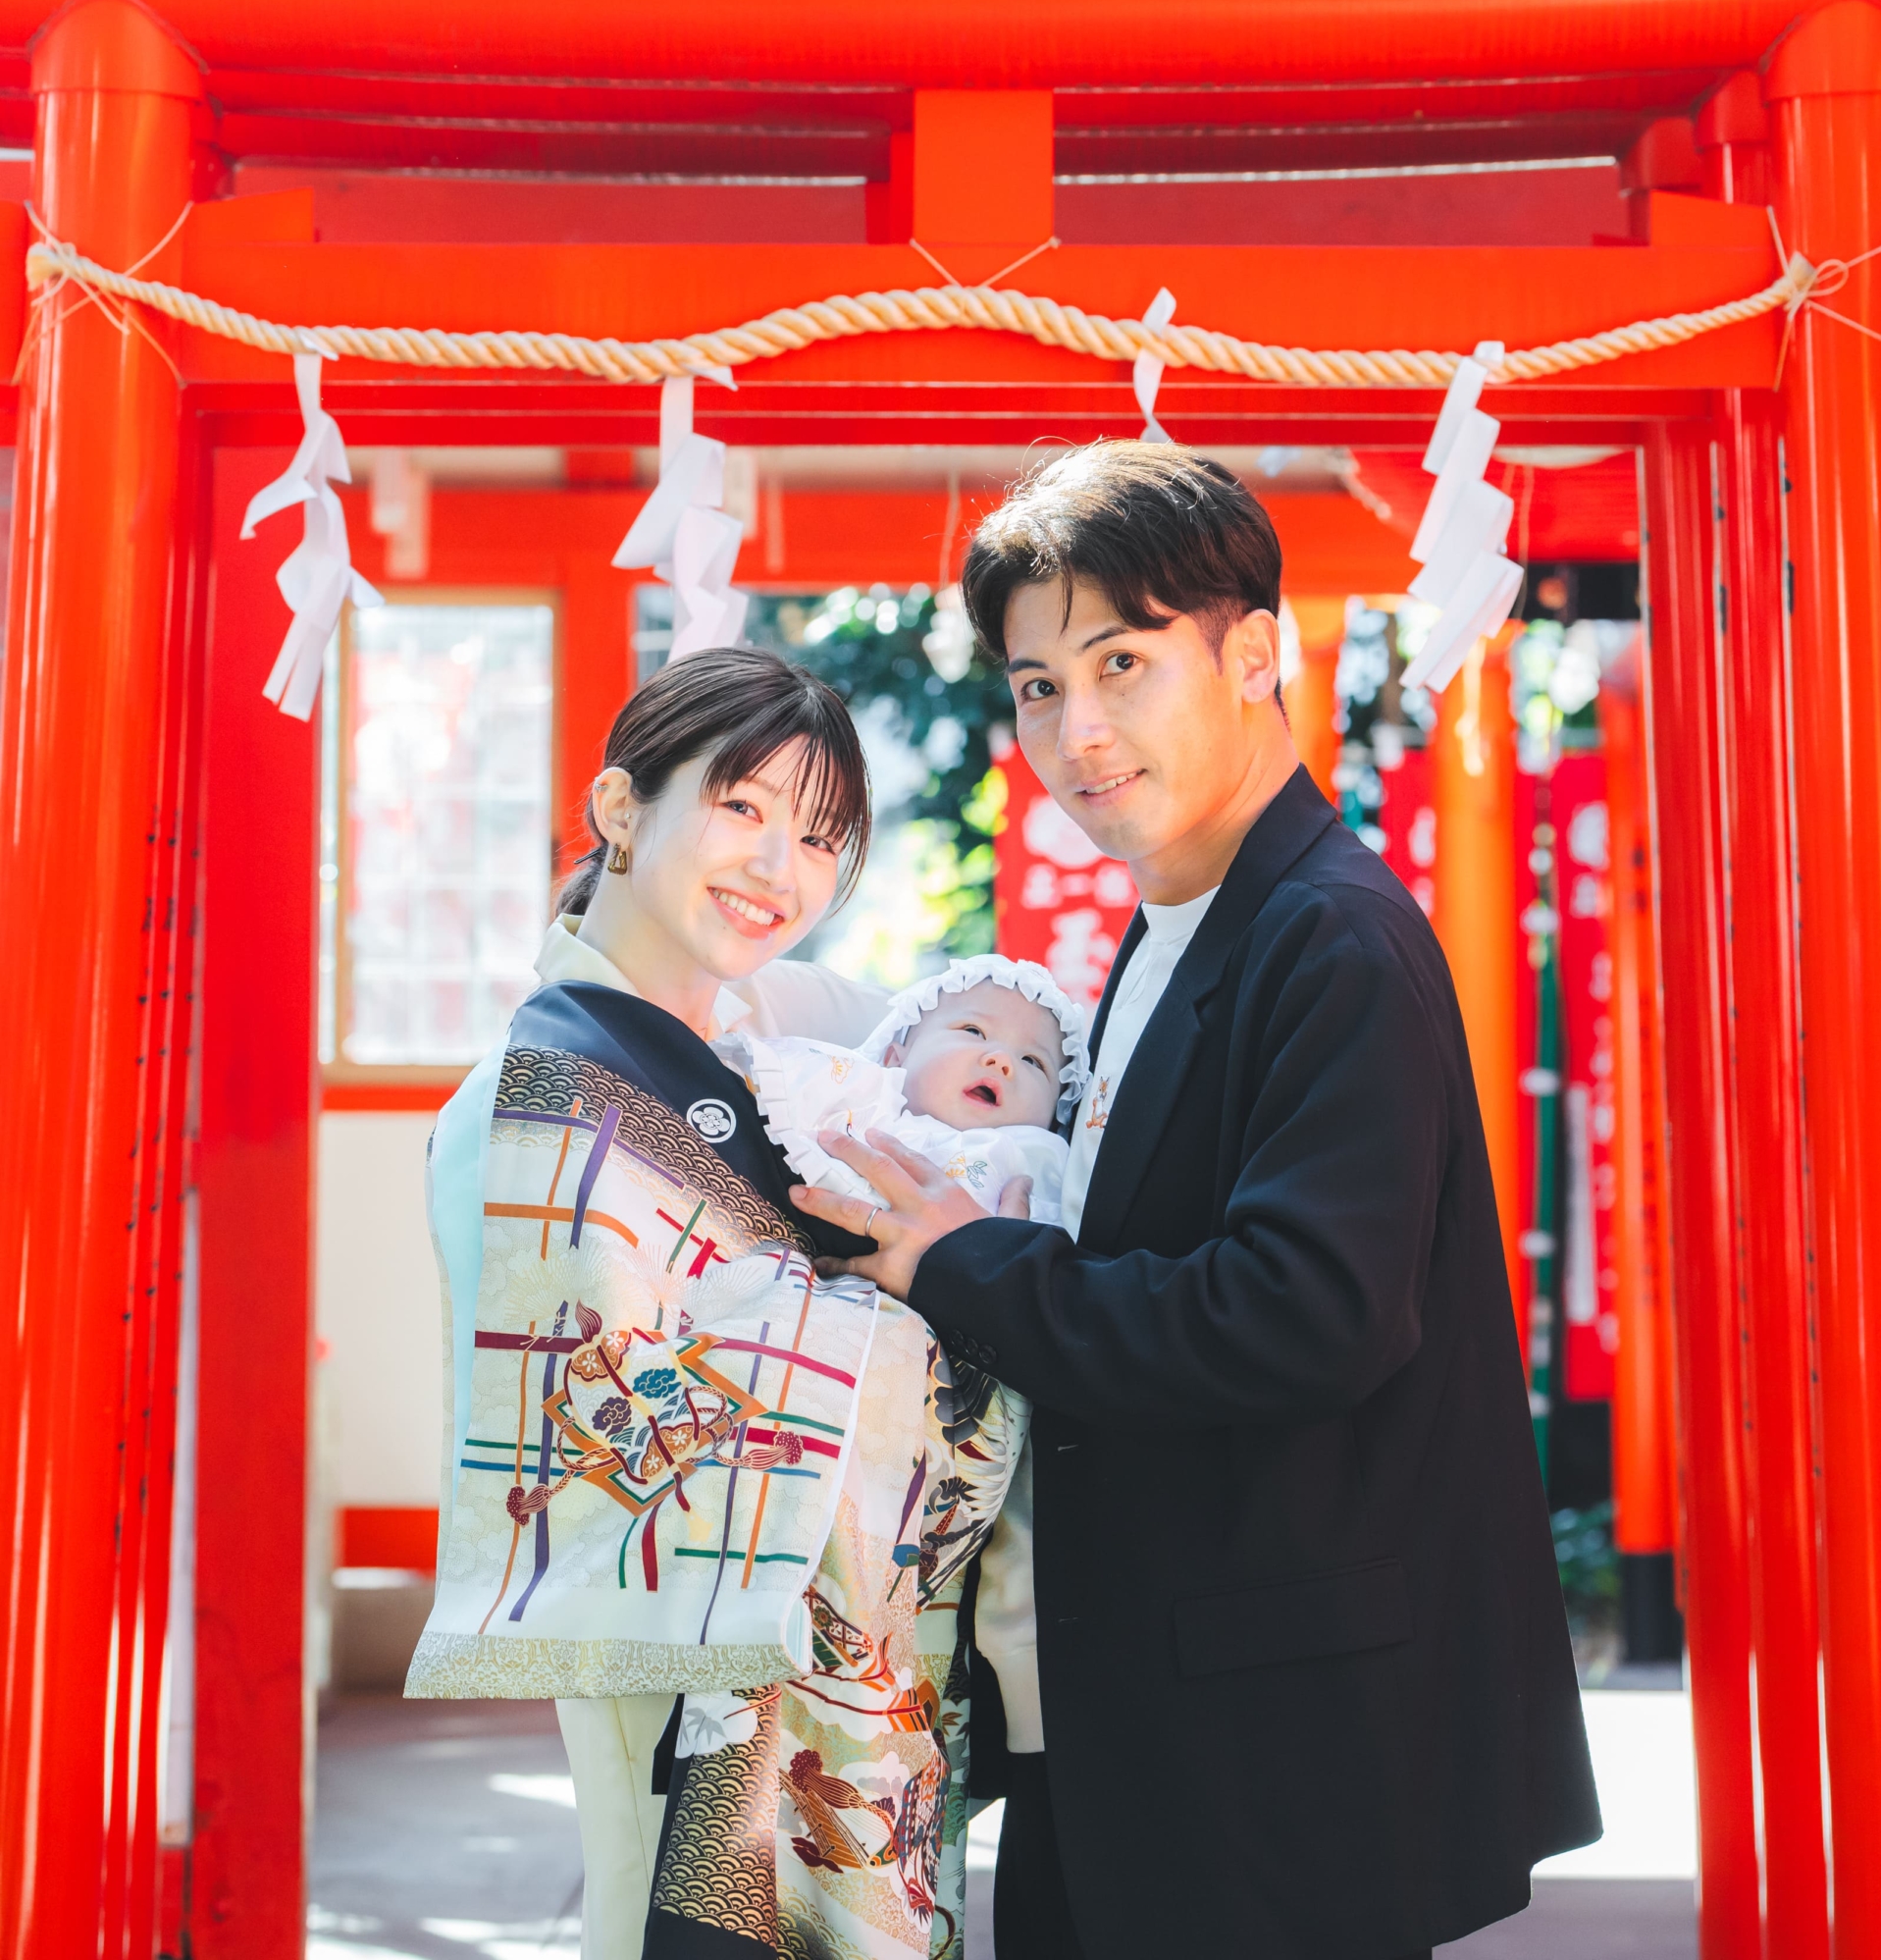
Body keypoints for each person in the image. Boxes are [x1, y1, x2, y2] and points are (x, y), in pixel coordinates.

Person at [790, 442, 1601, 1960]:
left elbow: (1304, 1314)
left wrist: (970, 1266)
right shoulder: (1187, 921)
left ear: (1252, 653)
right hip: (1158, 1711)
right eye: (1038, 685)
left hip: (1273, 1742)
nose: (1076, 728)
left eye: (1120, 662)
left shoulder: (1333, 941)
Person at [407, 648, 1018, 1960]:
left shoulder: (768, 1048)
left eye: (818, 834)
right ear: (621, 810)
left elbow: (986, 1022)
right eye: (741, 806)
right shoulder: (545, 1096)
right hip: (691, 1687)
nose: (777, 867)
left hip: (857, 1672)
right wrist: (926, 1330)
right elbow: (617, 1428)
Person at [725, 956, 1088, 1223]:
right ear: (894, 1058)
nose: (1002, 1061)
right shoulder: (866, 1095)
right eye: (974, 1031)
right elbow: (776, 1086)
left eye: (1032, 1061)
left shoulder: (1035, 1158)